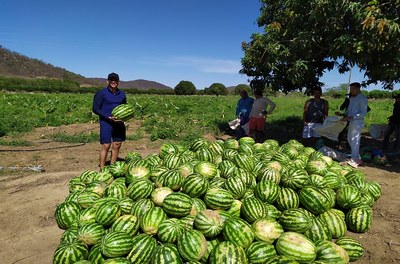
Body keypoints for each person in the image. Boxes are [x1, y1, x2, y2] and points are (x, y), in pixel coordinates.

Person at [92, 72, 127, 170]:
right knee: (106, 145)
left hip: (119, 123)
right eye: (111, 80)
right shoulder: (101, 93)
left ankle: (113, 168)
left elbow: (125, 107)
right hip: (106, 122)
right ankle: (102, 169)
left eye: (115, 80)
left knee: (117, 144)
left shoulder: (122, 94)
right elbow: (95, 108)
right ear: (108, 81)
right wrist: (107, 116)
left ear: (118, 82)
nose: (113, 82)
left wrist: (124, 117)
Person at [336, 82, 368, 168]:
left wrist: (351, 117)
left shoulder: (362, 98)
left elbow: (363, 113)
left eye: (353, 89)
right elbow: (349, 110)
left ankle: (355, 159)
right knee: (349, 138)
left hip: (357, 122)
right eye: (351, 89)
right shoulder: (352, 98)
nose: (351, 91)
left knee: (355, 139)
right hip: (351, 121)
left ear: (358, 89)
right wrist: (343, 114)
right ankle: (357, 157)